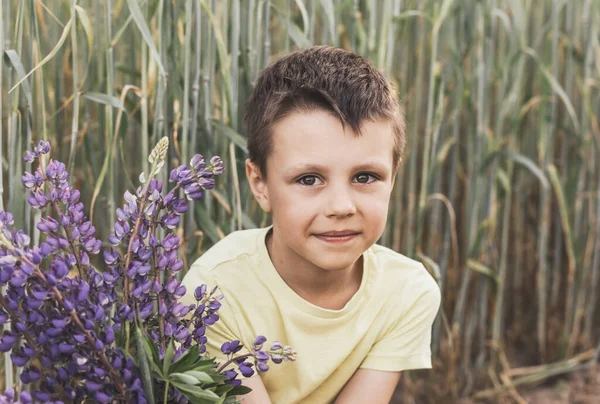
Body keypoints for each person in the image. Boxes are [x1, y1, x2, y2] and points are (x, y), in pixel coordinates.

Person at [181, 45, 441, 404]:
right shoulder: (212, 293)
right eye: (308, 179)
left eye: (365, 176)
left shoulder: (407, 293)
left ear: (393, 177)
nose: (341, 206)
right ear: (261, 185)